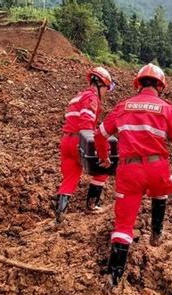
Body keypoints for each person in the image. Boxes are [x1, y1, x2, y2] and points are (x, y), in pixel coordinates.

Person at [94, 63, 172, 286]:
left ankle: (113, 277)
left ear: (138, 84)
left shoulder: (123, 107)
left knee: (123, 225)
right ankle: (156, 234)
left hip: (128, 171)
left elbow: (100, 135)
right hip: (157, 168)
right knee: (162, 189)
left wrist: (105, 158)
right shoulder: (167, 109)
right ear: (161, 86)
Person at [54, 66, 116, 223]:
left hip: (66, 141)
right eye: (106, 88)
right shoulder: (91, 98)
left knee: (70, 177)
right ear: (100, 84)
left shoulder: (77, 97)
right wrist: (95, 145)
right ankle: (92, 204)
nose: (106, 93)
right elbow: (86, 122)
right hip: (79, 140)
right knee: (104, 167)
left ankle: (60, 214)